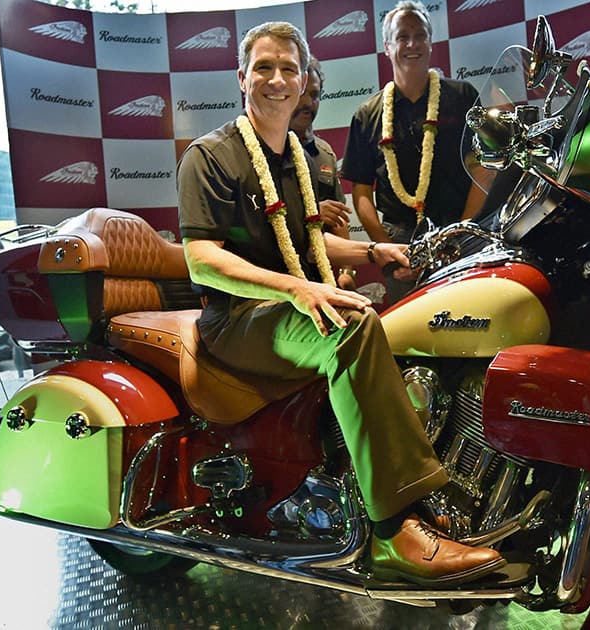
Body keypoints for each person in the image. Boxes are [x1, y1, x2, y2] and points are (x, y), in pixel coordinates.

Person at [177, 21, 504, 587]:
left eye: (289, 69)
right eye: (264, 67)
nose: (277, 79)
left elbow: (308, 239)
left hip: (287, 308)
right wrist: (297, 287)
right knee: (351, 329)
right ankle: (393, 530)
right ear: (241, 77)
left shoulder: (300, 158)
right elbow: (203, 259)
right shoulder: (212, 157)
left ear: (304, 81)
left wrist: (377, 249)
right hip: (236, 318)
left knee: (391, 325)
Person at [340, 0, 486, 301]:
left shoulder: (463, 97)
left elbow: (482, 169)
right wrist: (387, 252)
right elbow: (362, 193)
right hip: (400, 244)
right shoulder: (367, 114)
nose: (412, 44)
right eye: (402, 36)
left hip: (460, 231)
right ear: (387, 46)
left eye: (420, 35)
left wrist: (462, 234)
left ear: (431, 43)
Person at [289, 56, 356, 290]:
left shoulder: (325, 153)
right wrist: (314, 213)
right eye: (301, 94)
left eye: (315, 95)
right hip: (281, 277)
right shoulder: (267, 151)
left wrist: (347, 271)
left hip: (322, 277)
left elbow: (339, 218)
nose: (308, 102)